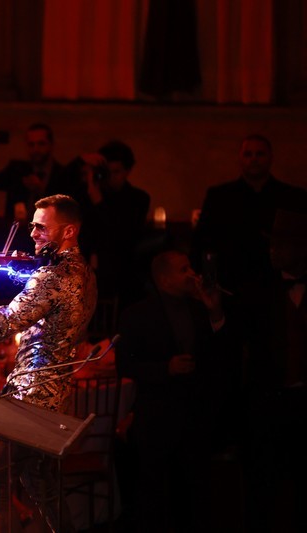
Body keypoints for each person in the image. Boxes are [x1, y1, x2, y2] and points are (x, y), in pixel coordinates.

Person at [0, 194, 97, 531]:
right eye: (33, 227)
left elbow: (3, 326)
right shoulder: (82, 271)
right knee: (40, 484)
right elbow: (33, 313)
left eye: (42, 228)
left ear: (69, 231)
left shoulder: (52, 276)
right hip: (55, 394)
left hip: (30, 396)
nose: (33, 235)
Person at [116, 250, 230, 532]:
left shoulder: (200, 307)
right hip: (157, 417)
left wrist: (215, 311)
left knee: (195, 493)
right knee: (157, 494)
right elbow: (125, 365)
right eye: (184, 270)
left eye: (190, 267)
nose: (193, 274)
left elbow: (221, 355)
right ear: (165, 279)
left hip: (195, 415)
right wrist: (165, 368)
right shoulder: (137, 314)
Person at [237, 209, 307, 532]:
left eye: (282, 244)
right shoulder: (259, 290)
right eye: (272, 243)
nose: (272, 250)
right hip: (268, 401)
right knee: (262, 485)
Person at [192, 134, 307, 299]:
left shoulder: (292, 197)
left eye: (260, 154)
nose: (254, 159)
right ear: (240, 158)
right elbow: (202, 241)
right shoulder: (219, 197)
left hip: (278, 288)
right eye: (248, 154)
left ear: (271, 157)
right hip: (231, 286)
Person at [75, 141, 151, 309]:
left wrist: (98, 202)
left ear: (127, 171)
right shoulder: (86, 195)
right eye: (107, 172)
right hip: (86, 275)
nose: (111, 177)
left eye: (116, 172)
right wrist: (81, 163)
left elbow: (121, 236)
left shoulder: (138, 199)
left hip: (121, 276)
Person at [0, 123, 72, 222]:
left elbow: (67, 210)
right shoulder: (17, 170)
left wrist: (41, 190)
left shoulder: (64, 174)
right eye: (31, 144)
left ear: (51, 145)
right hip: (17, 229)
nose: (36, 149)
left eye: (41, 144)